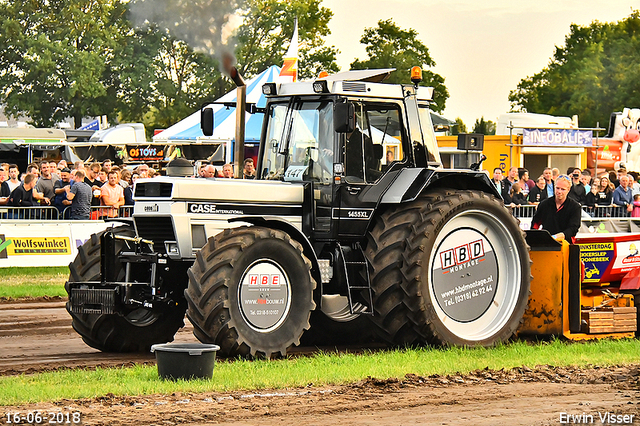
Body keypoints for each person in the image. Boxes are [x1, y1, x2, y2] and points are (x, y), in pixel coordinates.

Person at [531, 175, 581, 242]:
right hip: (546, 243)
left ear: (568, 190)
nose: (559, 192)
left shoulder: (575, 207)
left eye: (563, 189)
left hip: (566, 243)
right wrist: (534, 237)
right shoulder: (544, 204)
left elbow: (573, 229)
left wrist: (556, 237)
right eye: (557, 188)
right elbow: (535, 223)